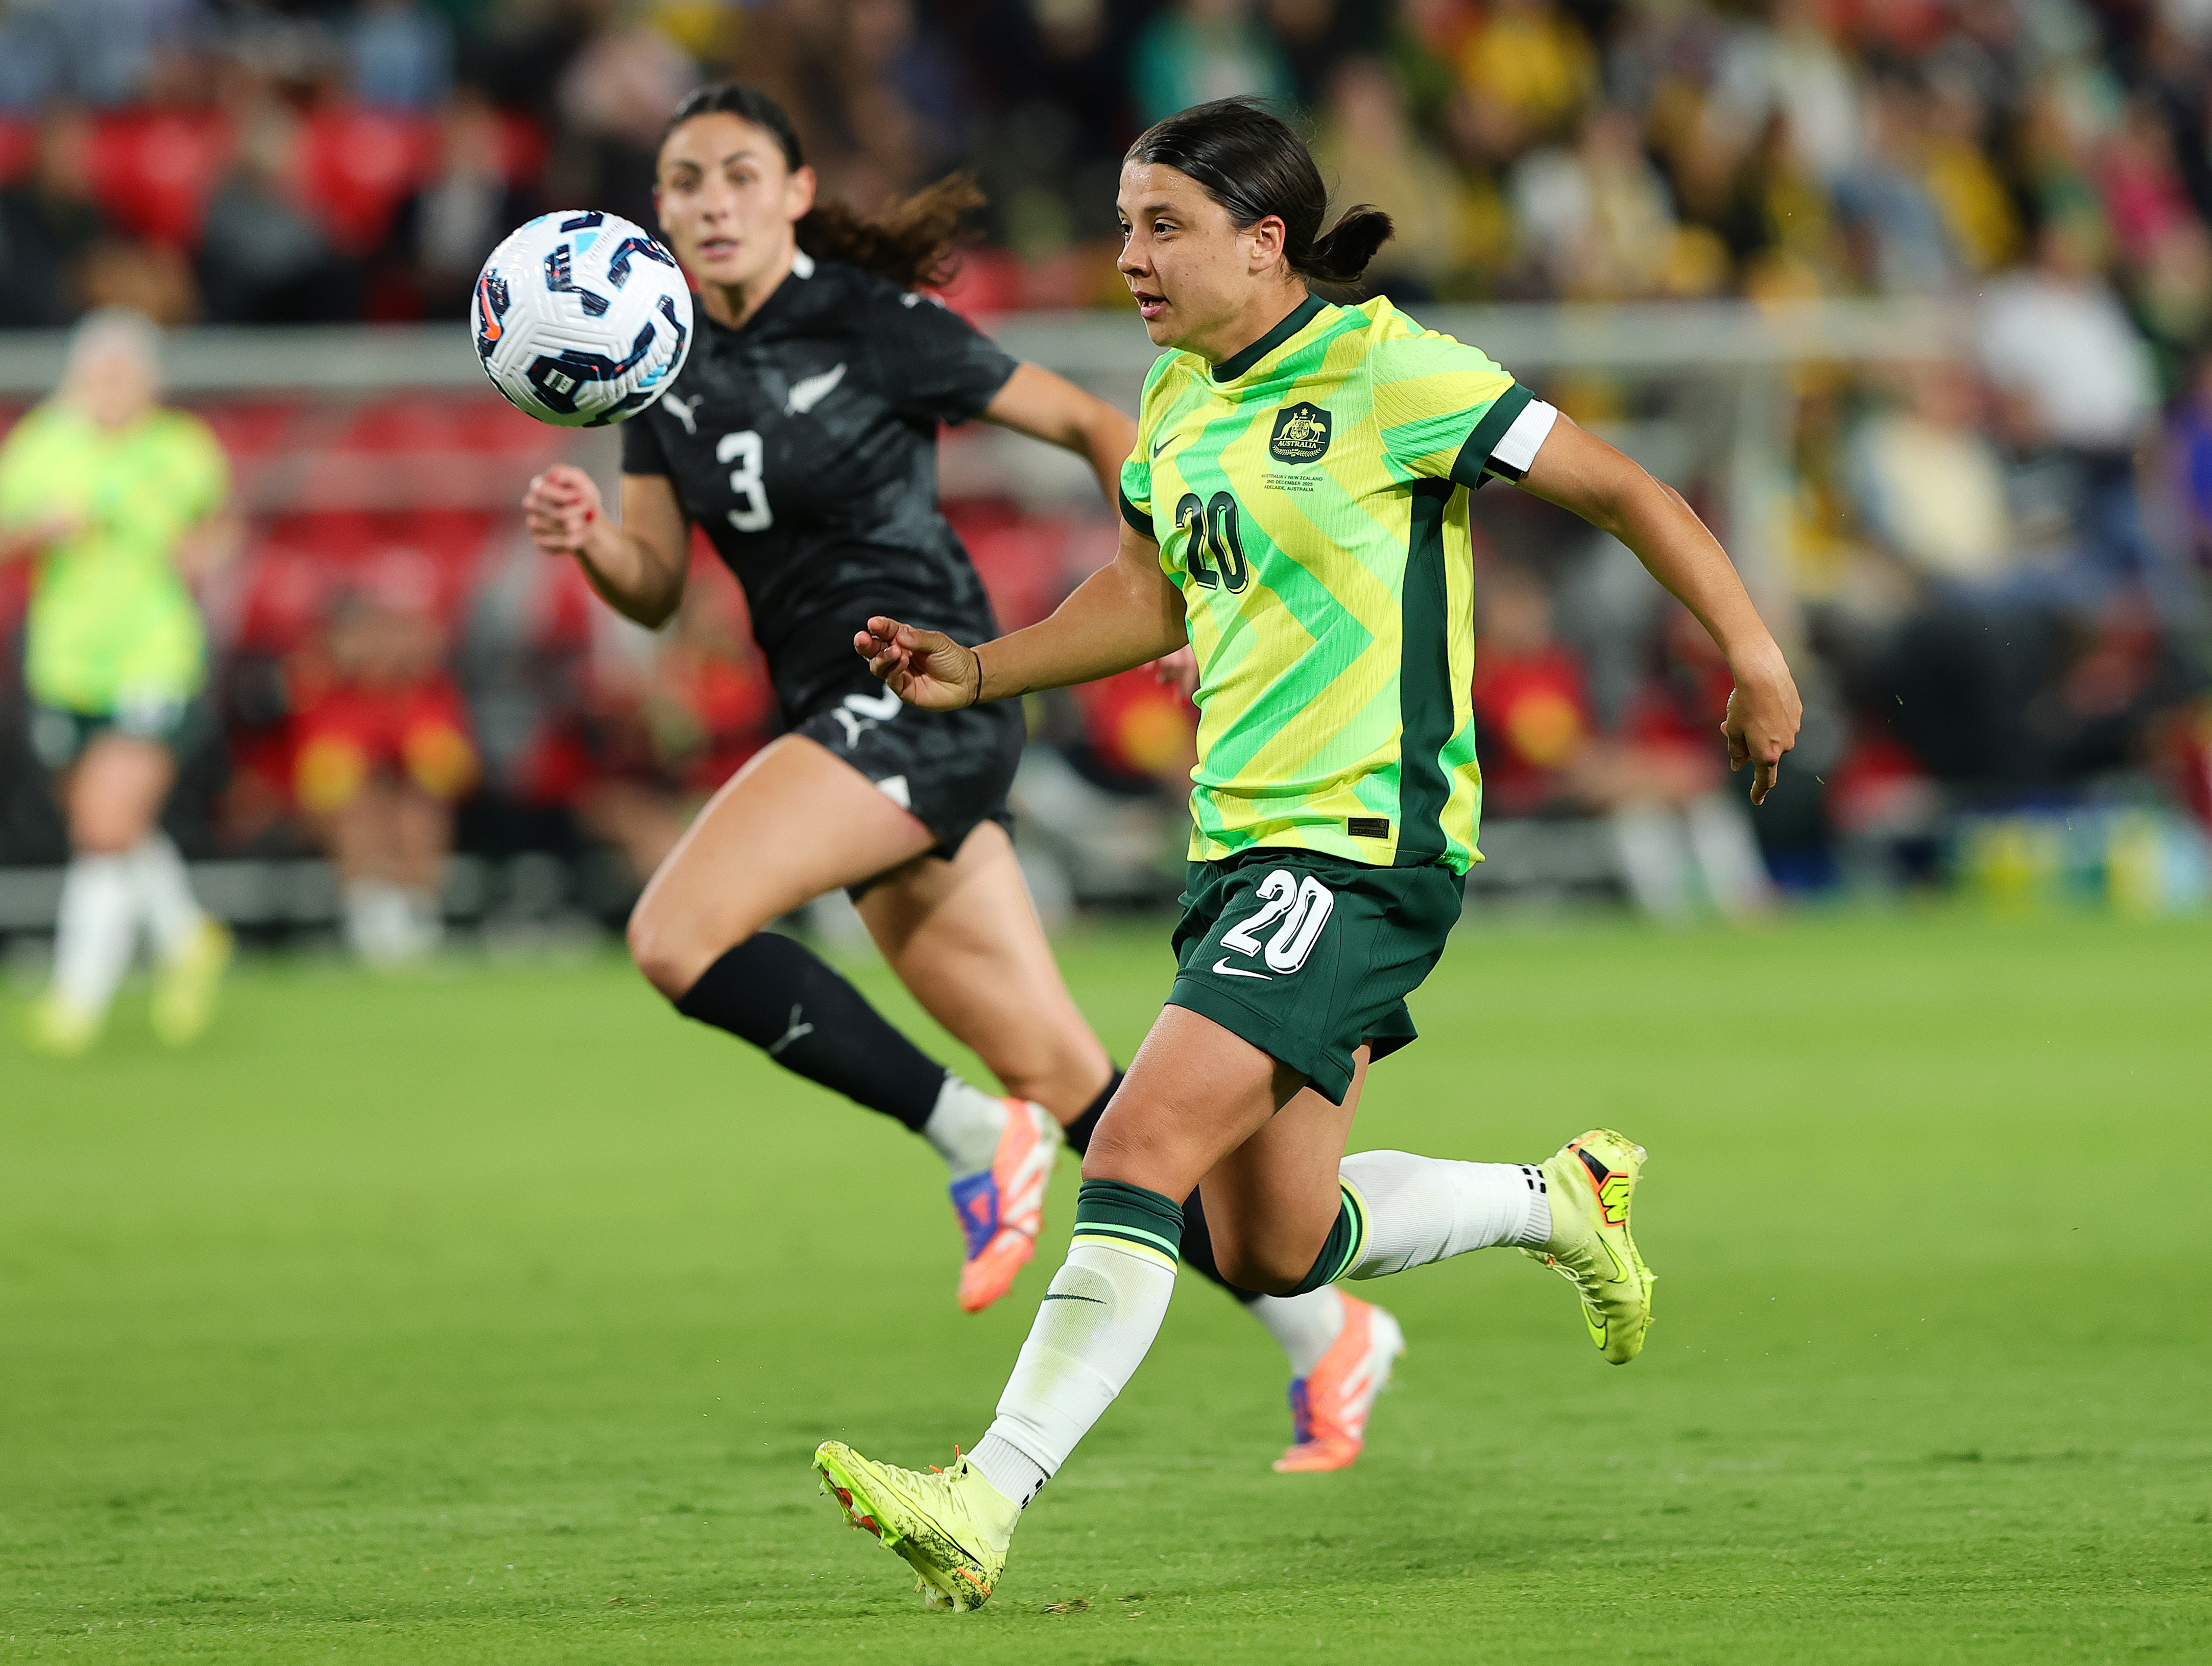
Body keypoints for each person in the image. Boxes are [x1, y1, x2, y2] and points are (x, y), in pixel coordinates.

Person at [815, 98, 1804, 1610]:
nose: (1130, 255)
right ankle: (1555, 1202)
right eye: (1127, 222)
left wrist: (1748, 652)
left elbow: (1620, 486)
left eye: (1165, 226)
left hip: (1358, 844)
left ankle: (984, 1493)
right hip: (1241, 850)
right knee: (1271, 1244)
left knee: (1136, 1146)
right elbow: (1151, 595)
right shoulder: (1174, 396)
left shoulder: (1390, 368)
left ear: (1264, 242)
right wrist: (981, 666)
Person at [519, 84, 1408, 1472]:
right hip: (832, 716)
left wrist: (1176, 588)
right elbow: (650, 587)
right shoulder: (653, 354)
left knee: (674, 932)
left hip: (921, 691)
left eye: (738, 174)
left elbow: (1093, 427)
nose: (708, 202)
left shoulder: (873, 325)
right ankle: (1327, 1337)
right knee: (1087, 1097)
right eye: (683, 180)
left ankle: (960, 1130)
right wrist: (590, 542)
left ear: (797, 192)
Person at [3, 308, 237, 1055]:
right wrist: (43, 528)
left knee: (103, 831)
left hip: (151, 658)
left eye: (125, 376)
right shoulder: (42, 445)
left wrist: (202, 551)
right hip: (65, 662)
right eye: (99, 375)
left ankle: (76, 999)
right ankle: (185, 936)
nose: (111, 390)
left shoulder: (179, 448)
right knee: (110, 822)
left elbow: (219, 528)